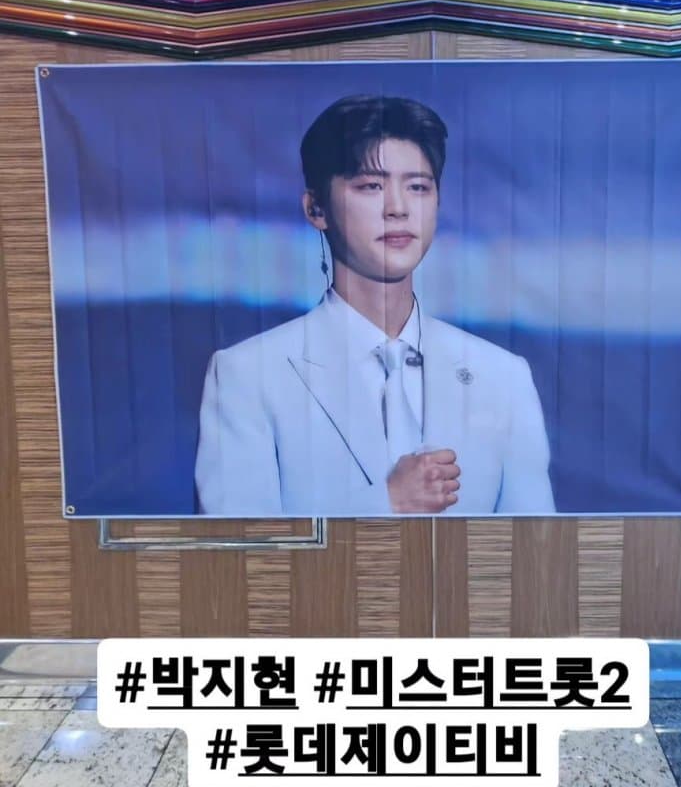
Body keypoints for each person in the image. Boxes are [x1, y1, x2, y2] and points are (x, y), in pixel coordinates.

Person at [194, 94, 555, 517]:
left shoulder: (503, 377)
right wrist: (386, 503)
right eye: (371, 186)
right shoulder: (247, 376)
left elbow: (533, 548)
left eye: (418, 187)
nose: (398, 209)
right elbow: (237, 550)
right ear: (316, 208)